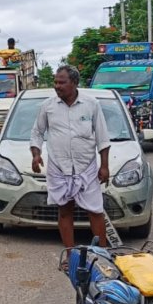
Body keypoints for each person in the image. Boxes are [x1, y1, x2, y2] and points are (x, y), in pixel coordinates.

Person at [30, 65, 111, 248]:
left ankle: (103, 255)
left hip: (87, 169)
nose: (57, 86)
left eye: (62, 82)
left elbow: (102, 138)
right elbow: (37, 133)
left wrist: (104, 166)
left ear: (74, 83)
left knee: (95, 211)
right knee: (65, 211)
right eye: (55, 82)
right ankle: (69, 255)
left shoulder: (91, 105)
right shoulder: (48, 106)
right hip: (59, 168)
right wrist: (36, 154)